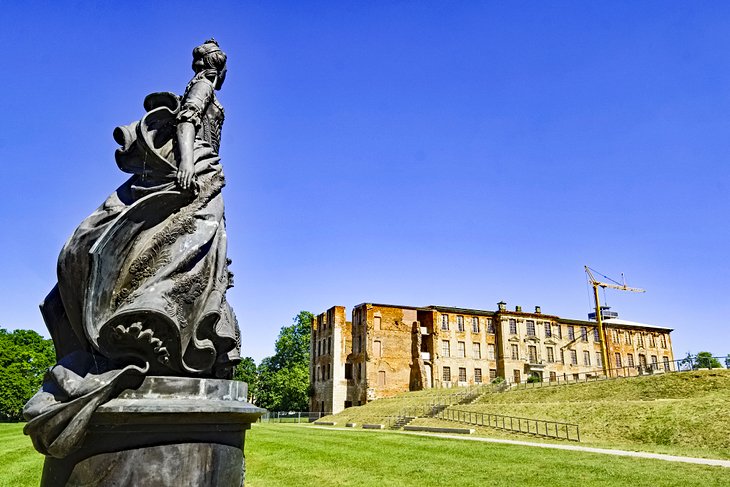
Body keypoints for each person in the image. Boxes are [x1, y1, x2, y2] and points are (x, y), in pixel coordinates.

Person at [24, 40, 240, 457]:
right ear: (218, 69)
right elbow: (188, 120)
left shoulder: (200, 84)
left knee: (194, 244)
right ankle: (168, 318)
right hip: (200, 168)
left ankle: (178, 316)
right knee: (193, 242)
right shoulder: (203, 86)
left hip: (207, 170)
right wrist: (186, 163)